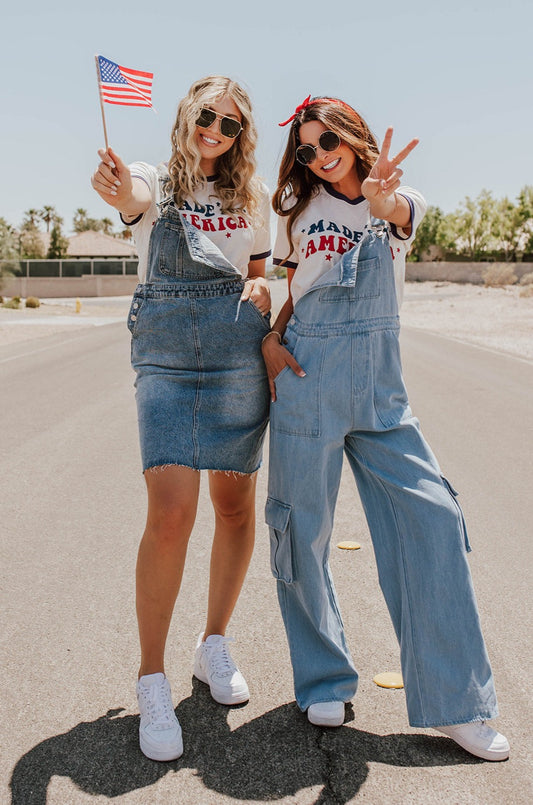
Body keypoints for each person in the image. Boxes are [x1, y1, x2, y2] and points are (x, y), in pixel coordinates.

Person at [262, 95, 509, 762]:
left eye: (326, 140)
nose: (317, 155)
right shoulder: (293, 211)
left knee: (430, 519)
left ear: (352, 135)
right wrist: (270, 342)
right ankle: (323, 678)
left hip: (379, 391)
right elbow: (292, 286)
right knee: (299, 530)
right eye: (305, 149)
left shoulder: (399, 200)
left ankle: (457, 702)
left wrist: (380, 200)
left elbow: (396, 215)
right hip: (304, 380)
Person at [91, 76, 272, 762]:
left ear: (240, 137)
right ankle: (151, 676)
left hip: (235, 360)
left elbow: (258, 269)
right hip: (165, 367)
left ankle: (213, 643)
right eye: (206, 117)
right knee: (171, 514)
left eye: (230, 126)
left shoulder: (249, 198)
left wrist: (259, 282)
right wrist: (113, 187)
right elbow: (125, 196)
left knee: (232, 508)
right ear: (185, 115)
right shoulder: (153, 181)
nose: (215, 132)